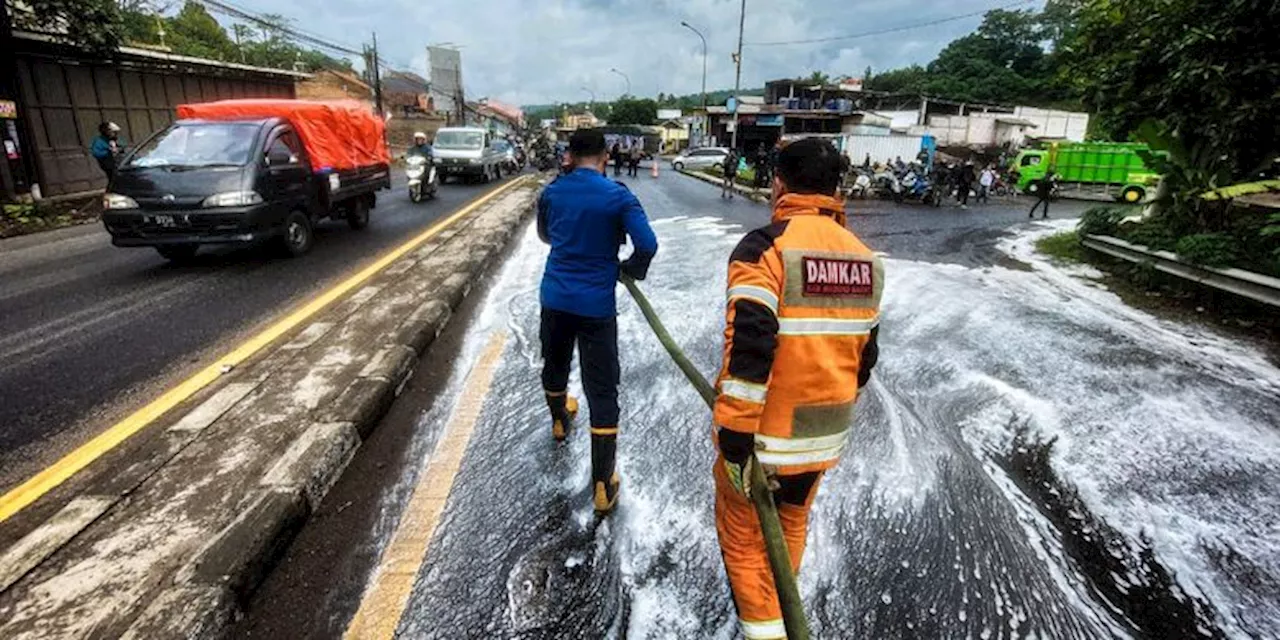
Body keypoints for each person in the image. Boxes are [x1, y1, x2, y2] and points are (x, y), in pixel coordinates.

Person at [713, 138, 882, 639]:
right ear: (837, 189)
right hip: (823, 435)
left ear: (779, 185)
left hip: (765, 439)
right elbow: (865, 359)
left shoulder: (764, 248)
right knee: (790, 523)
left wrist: (735, 437)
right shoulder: (865, 259)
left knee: (743, 540)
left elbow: (750, 349)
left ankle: (765, 630)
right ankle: (782, 605)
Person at [537, 128, 658, 514]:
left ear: (569, 156)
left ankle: (559, 420)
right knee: (602, 391)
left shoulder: (553, 192)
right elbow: (648, 244)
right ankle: (603, 485)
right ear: (606, 156)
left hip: (555, 297)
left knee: (555, 362)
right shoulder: (618, 196)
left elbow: (544, 235)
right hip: (596, 307)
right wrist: (630, 269)